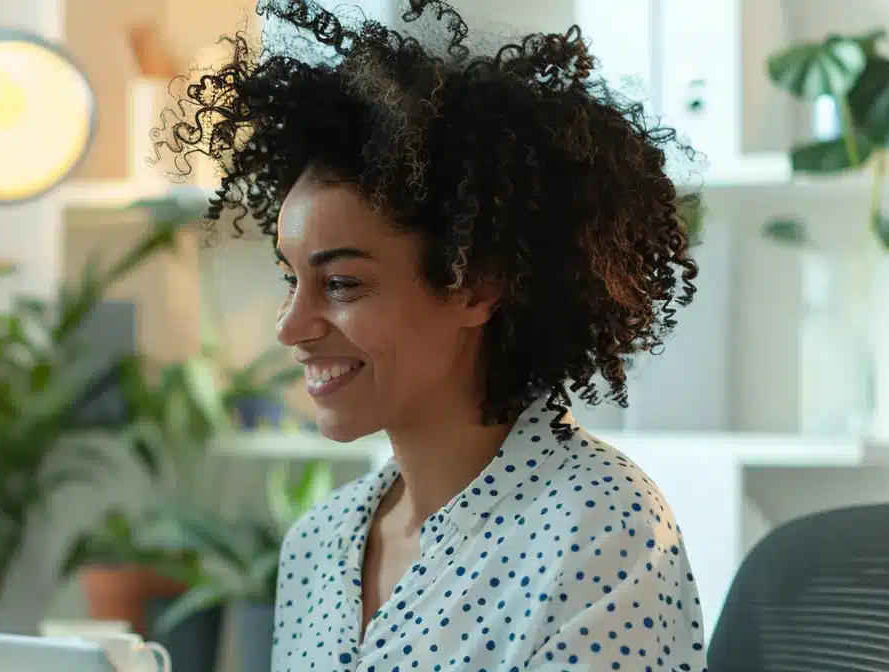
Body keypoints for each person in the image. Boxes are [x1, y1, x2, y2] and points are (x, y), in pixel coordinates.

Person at [157, 0, 708, 669]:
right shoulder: (320, 543)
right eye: (290, 279)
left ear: (476, 287)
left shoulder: (598, 525)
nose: (291, 326)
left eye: (342, 285)